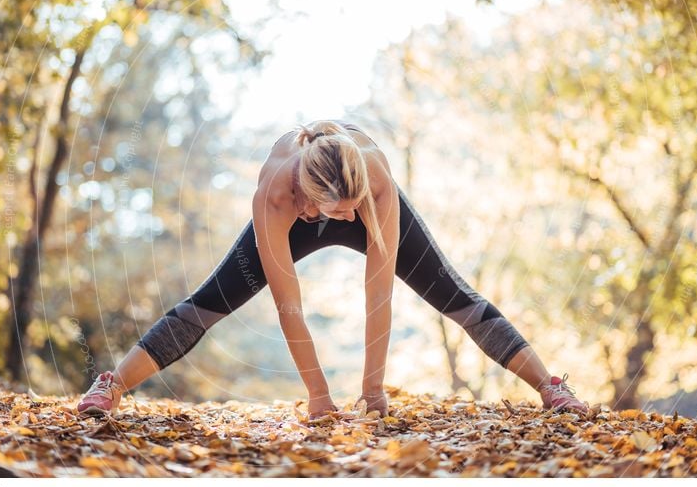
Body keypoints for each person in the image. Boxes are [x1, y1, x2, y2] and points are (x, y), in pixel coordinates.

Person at [76, 119, 588, 419]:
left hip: (370, 198)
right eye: (336, 213)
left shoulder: (374, 185)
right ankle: (112, 384)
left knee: (454, 297)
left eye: (350, 211)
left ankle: (550, 386)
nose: (345, 223)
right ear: (308, 200)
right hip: (296, 209)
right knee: (211, 301)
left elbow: (379, 294)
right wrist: (320, 398)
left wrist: (373, 389)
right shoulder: (274, 197)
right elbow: (289, 306)